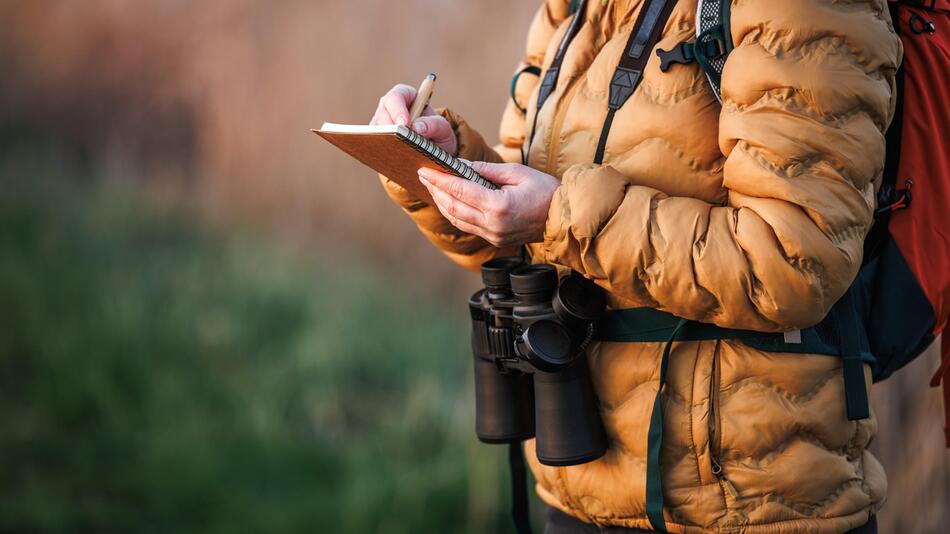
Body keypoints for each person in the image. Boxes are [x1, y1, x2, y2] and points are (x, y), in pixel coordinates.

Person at [370, 1, 901, 532]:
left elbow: (792, 264)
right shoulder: (572, 9)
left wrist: (561, 215)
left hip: (747, 504)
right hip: (578, 485)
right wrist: (436, 165)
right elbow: (522, 242)